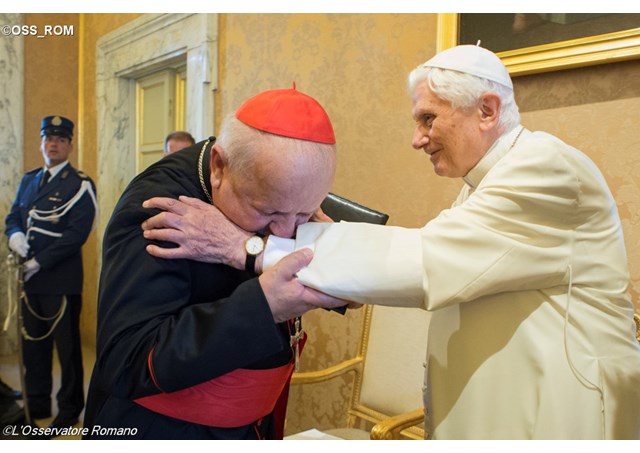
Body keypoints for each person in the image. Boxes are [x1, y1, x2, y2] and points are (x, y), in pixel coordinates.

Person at [141, 46, 640, 439]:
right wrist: (316, 234)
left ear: (486, 110)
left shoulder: (544, 169)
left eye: (428, 119)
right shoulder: (492, 178)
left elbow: (426, 261)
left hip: (558, 400)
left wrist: (246, 249)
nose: (417, 139)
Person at [83, 87, 347, 440]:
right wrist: (263, 305)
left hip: (255, 423)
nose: (286, 230)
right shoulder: (162, 207)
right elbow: (128, 360)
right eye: (268, 211)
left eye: (304, 214)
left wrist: (251, 248)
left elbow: (352, 287)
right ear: (219, 167)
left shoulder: (281, 186)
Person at [4, 115, 97, 431]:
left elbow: (77, 233)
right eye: (48, 138)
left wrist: (39, 261)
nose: (53, 144)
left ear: (70, 145)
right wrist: (15, 235)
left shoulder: (79, 184)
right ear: (41, 143)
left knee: (68, 350)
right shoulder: (30, 180)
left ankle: (70, 409)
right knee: (34, 346)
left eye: (60, 139)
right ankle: (37, 401)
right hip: (30, 281)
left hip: (60, 279)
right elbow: (14, 216)